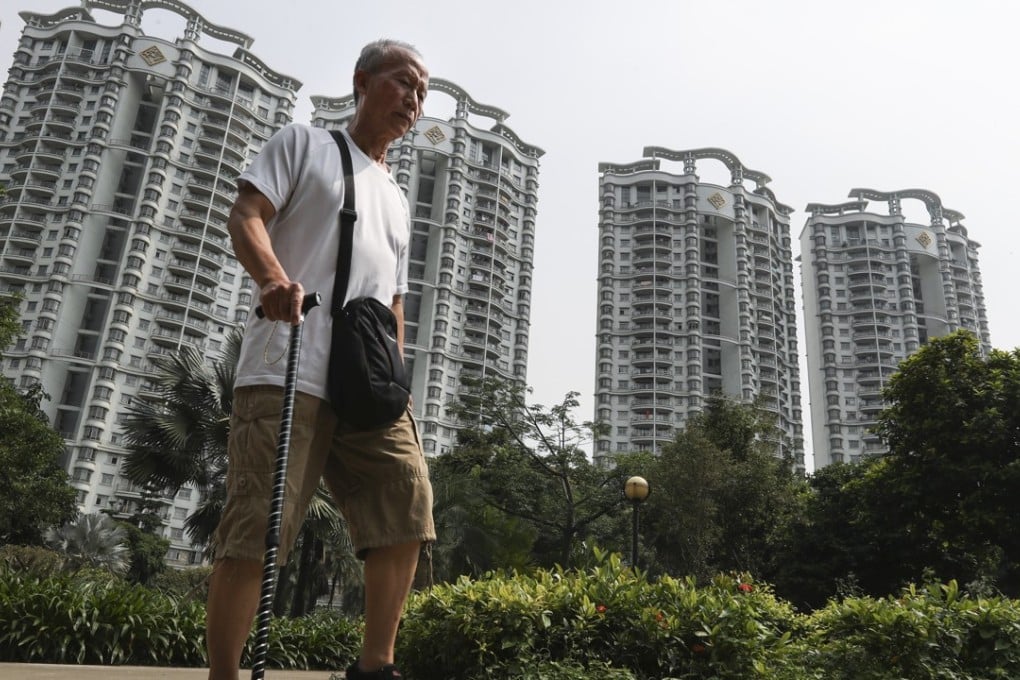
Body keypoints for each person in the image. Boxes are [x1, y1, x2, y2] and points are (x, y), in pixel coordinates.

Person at [205, 39, 434, 680]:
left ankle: (375, 667)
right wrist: (272, 279)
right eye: (402, 82)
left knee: (406, 503)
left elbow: (393, 299)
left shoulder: (397, 197)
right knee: (258, 527)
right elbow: (246, 214)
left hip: (368, 385)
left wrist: (397, 377)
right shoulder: (302, 144)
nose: (413, 100)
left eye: (421, 92)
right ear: (361, 81)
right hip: (289, 364)